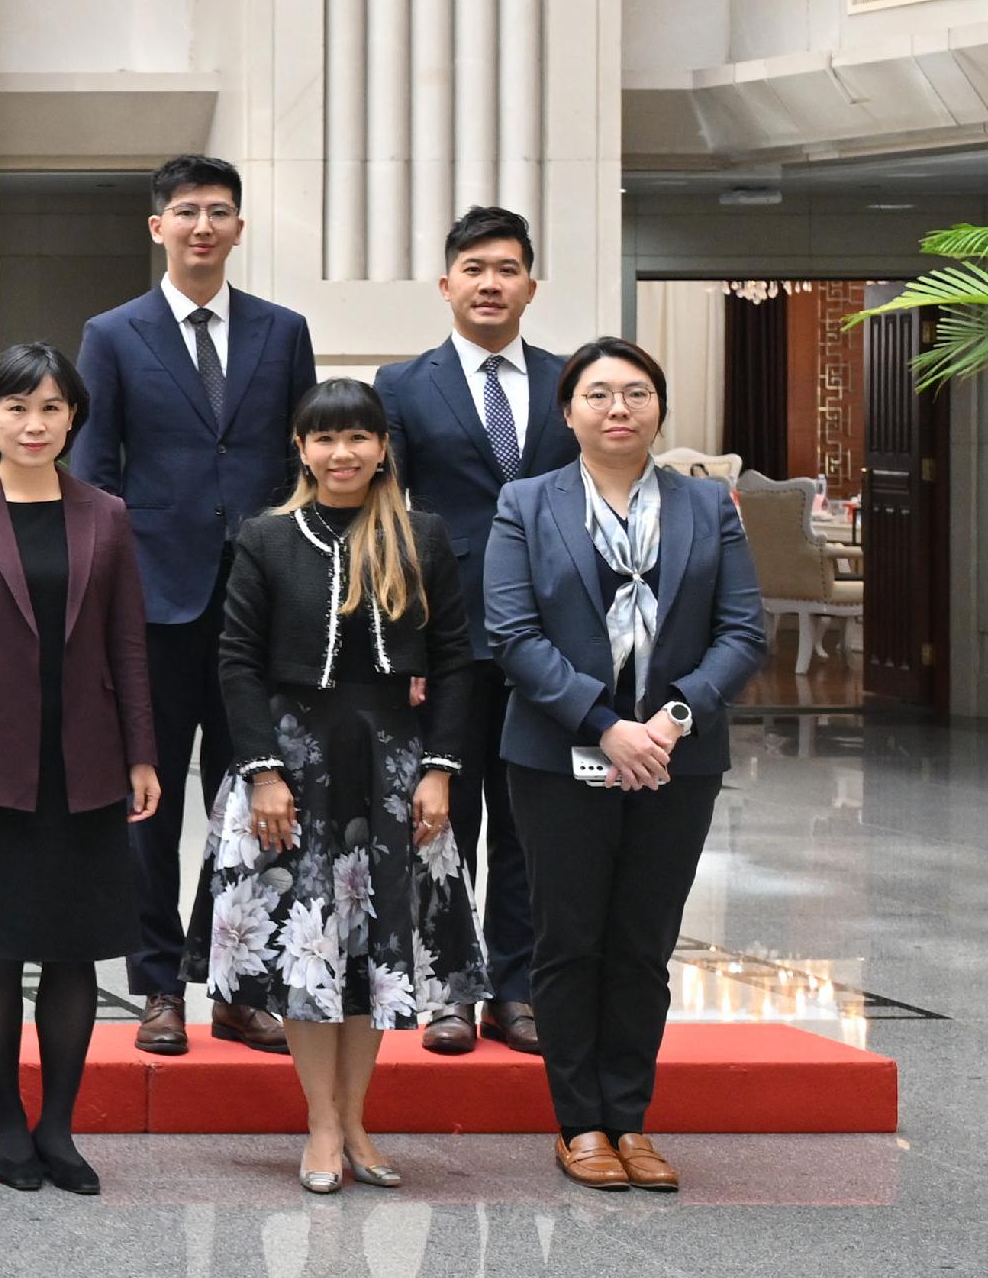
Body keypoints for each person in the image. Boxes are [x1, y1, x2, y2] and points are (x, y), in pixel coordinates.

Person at [482, 337, 767, 1193]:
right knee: (568, 940)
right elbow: (512, 634)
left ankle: (631, 1119)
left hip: (677, 759)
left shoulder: (707, 505)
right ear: (567, 410)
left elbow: (744, 631)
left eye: (636, 393)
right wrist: (607, 725)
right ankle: (580, 1125)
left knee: (643, 943)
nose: (618, 407)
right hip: (556, 755)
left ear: (658, 409)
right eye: (598, 393)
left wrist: (672, 719)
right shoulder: (526, 503)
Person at [201, 379, 488, 1194]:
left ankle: (358, 1117)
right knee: (308, 946)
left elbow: (458, 660)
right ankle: (321, 1123)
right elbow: (236, 661)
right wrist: (262, 772)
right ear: (300, 447)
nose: (342, 453)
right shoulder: (267, 536)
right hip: (292, 764)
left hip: (392, 765)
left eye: (358, 436)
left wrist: (440, 768)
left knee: (372, 950)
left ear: (382, 444)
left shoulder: (422, 536)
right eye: (323, 438)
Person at [72, 154, 317, 1056]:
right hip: (152, 599)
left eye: (219, 211)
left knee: (256, 790)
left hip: (262, 602)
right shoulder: (114, 333)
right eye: (186, 211)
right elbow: (95, 473)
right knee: (149, 793)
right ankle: (157, 981)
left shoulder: (282, 330)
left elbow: (304, 464)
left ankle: (237, 979)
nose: (203, 225)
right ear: (159, 228)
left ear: (240, 228)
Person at [0, 343, 160, 1196]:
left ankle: (58, 1124)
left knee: (72, 953)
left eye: (52, 408)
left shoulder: (107, 514)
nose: (35, 423)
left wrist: (141, 751)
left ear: (73, 419)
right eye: (18, 407)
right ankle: (7, 1122)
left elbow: (128, 643)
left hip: (84, 757)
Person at [375, 206, 575, 1057]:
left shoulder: (573, 380)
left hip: (550, 639)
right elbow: (384, 521)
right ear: (446, 282)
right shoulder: (402, 384)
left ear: (532, 282)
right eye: (474, 268)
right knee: (442, 825)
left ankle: (518, 991)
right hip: (448, 641)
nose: (490, 283)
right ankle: (448, 990)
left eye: (507, 268)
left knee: (530, 822)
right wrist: (403, 647)